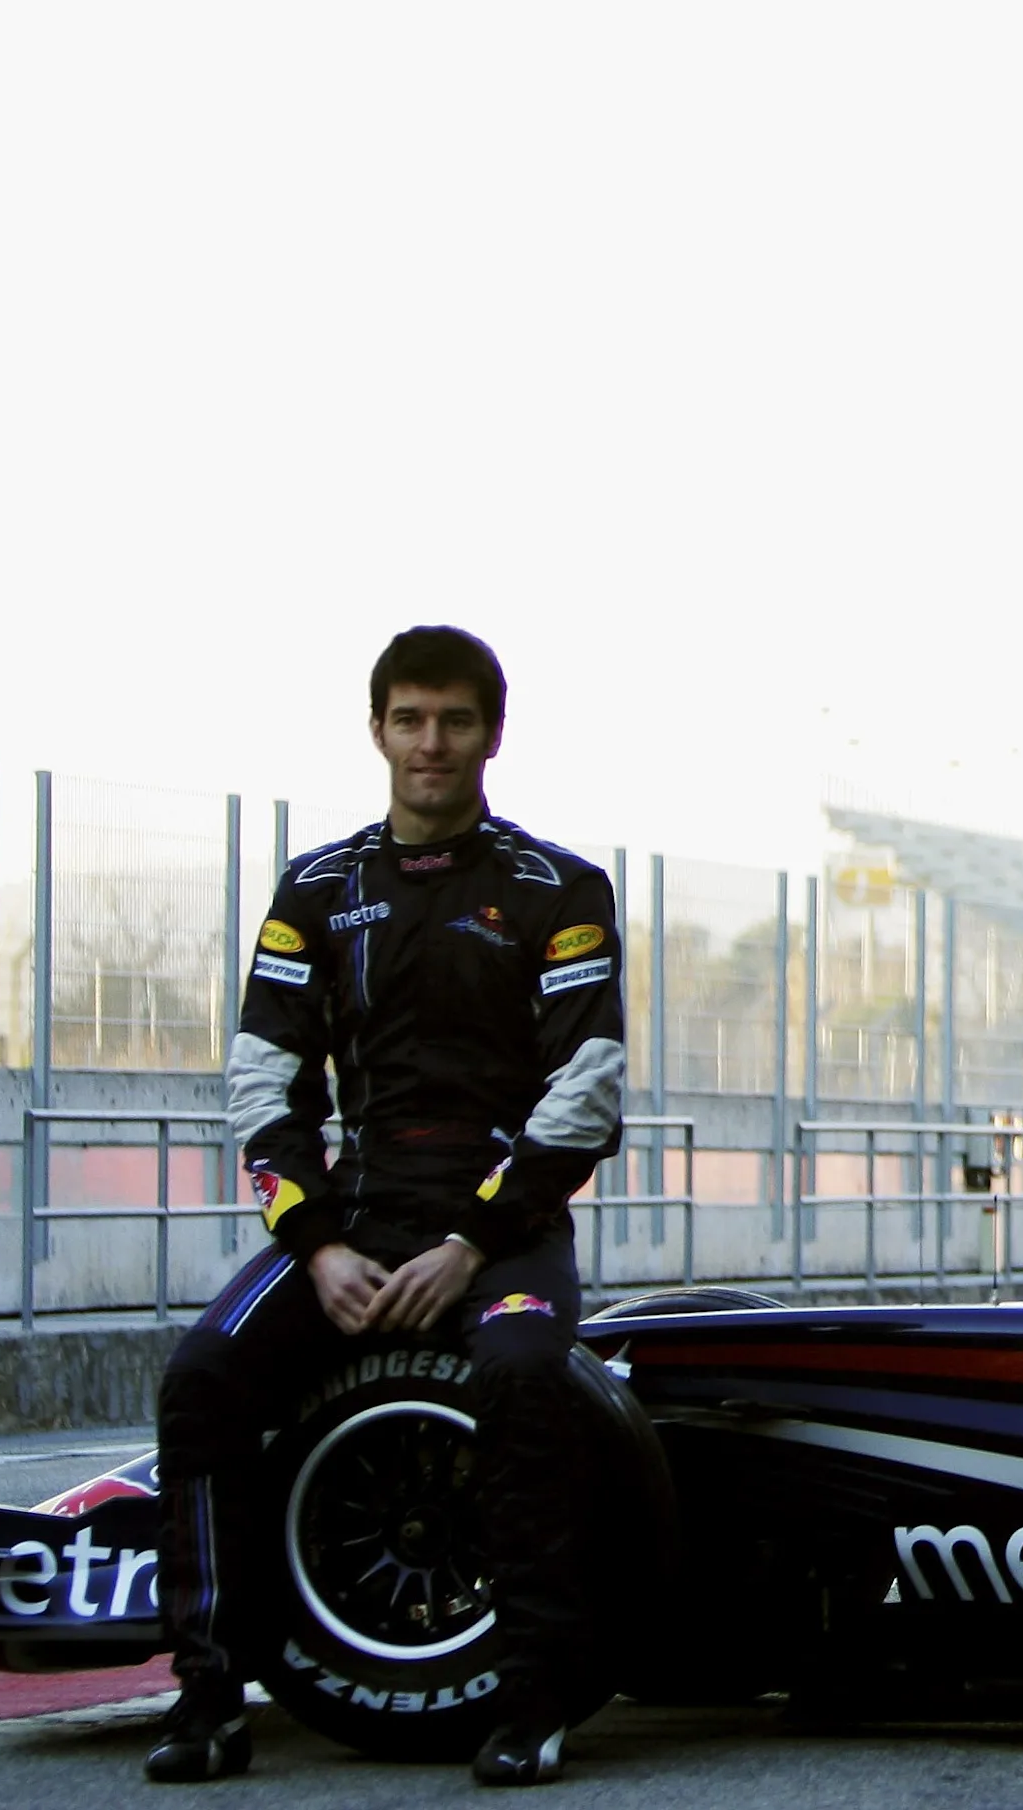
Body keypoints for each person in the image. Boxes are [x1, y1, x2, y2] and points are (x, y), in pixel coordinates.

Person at [146, 626, 625, 1789]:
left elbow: (586, 1092)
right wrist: (315, 1246)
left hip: (499, 1227)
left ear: (492, 735)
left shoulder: (558, 890)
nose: (431, 744)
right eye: (410, 719)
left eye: (455, 721)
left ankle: (531, 1699)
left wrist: (469, 1242)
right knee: (201, 1379)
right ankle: (208, 1696)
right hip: (351, 1221)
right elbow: (263, 1085)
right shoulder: (316, 890)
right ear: (377, 731)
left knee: (523, 1374)